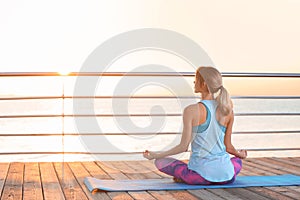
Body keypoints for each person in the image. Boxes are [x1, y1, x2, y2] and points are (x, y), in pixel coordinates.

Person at [143, 66, 247, 185]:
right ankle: (221, 171)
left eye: (196, 80)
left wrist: (157, 155)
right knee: (237, 160)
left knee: (160, 162)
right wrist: (240, 154)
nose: (194, 82)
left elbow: (183, 147)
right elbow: (229, 148)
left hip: (199, 177)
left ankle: (185, 176)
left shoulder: (191, 110)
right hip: (227, 177)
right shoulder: (228, 111)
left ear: (203, 84)